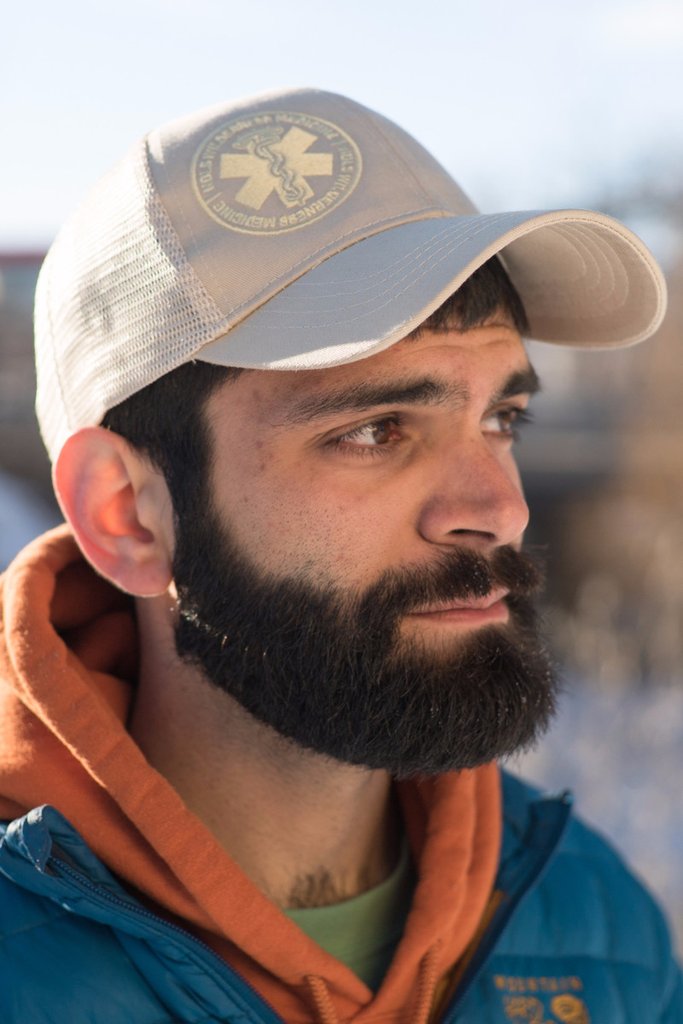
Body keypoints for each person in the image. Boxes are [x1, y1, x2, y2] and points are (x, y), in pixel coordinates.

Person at [0, 87, 680, 1023]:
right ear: (126, 515)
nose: (499, 509)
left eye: (501, 419)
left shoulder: (597, 933)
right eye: (374, 431)